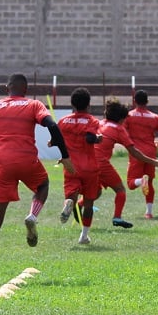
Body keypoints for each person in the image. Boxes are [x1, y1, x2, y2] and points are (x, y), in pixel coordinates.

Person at [0, 73, 74, 283]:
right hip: (26, 159)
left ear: (8, 87)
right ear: (25, 89)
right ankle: (32, 215)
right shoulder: (33, 104)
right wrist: (65, 155)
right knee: (42, 184)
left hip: (2, 163)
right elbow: (53, 126)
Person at [96, 98, 158, 229]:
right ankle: (119, 217)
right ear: (121, 118)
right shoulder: (119, 128)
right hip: (148, 152)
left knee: (94, 192)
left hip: (88, 162)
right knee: (122, 189)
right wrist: (155, 162)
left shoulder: (98, 123)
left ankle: (75, 204)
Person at [57, 88, 102, 244]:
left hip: (71, 166)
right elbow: (90, 138)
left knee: (71, 194)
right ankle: (83, 236)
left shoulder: (63, 121)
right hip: (89, 167)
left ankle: (69, 202)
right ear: (88, 105)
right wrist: (97, 139)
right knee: (89, 203)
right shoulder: (92, 120)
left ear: (72, 104)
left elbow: (57, 140)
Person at [124, 90, 158, 219]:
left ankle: (140, 180)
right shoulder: (154, 117)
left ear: (135, 101)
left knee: (131, 183)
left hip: (136, 152)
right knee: (150, 183)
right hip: (150, 152)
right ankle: (149, 212)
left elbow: (122, 130)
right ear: (147, 101)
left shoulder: (129, 116)